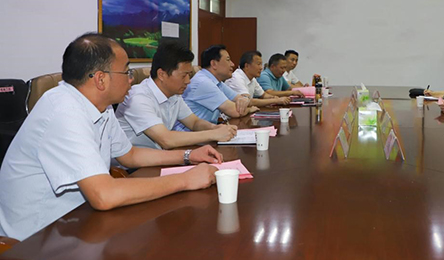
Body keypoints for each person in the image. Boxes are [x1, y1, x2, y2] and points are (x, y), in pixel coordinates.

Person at [0, 33, 223, 241]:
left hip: (76, 224)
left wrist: (188, 156)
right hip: (35, 241)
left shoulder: (101, 107)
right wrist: (186, 180)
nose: (131, 80)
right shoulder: (63, 111)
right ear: (101, 79)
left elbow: (130, 155)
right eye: (126, 72)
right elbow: (104, 195)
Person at [116, 42, 237, 150]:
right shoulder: (138, 98)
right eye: (183, 76)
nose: (188, 81)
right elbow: (166, 140)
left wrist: (215, 128)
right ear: (162, 74)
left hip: (160, 156)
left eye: (189, 75)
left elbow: (194, 122)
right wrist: (212, 134)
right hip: (133, 165)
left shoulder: (174, 94)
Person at [181, 45, 259, 125]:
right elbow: (235, 112)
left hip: (206, 129)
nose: (232, 64)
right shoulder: (203, 82)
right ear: (214, 64)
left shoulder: (217, 82)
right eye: (228, 60)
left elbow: (240, 98)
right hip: (191, 131)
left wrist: (245, 99)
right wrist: (250, 109)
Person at [226, 50, 292, 107]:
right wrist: (276, 100)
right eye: (258, 64)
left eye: (261, 64)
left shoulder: (252, 78)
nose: (261, 68)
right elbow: (248, 101)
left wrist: (274, 97)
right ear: (247, 66)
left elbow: (263, 95)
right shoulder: (237, 78)